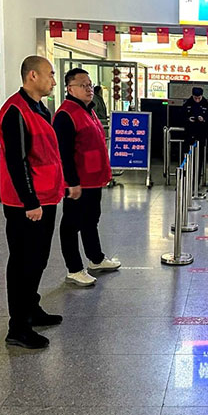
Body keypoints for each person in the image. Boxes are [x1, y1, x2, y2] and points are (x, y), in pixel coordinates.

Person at [0, 56, 64, 349]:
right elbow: (17, 160)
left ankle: (31, 308)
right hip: (27, 203)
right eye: (50, 74)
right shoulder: (15, 111)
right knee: (23, 261)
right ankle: (18, 327)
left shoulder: (40, 108)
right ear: (33, 76)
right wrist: (30, 201)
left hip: (46, 196)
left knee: (38, 258)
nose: (53, 81)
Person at [53, 68, 121, 287]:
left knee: (91, 219)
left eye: (90, 85)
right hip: (78, 182)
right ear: (70, 88)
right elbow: (63, 153)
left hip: (93, 180)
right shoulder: (65, 115)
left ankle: (96, 258)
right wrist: (72, 182)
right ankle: (74, 269)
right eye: (83, 85)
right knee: (71, 224)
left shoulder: (88, 110)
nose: (88, 89)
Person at [182, 86, 208, 180]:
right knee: (187, 158)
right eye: (195, 98)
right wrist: (188, 119)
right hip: (189, 135)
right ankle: (185, 179)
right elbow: (180, 116)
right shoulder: (187, 104)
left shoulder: (206, 105)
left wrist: (203, 119)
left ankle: (197, 180)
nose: (197, 100)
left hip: (201, 136)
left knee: (199, 159)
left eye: (199, 98)